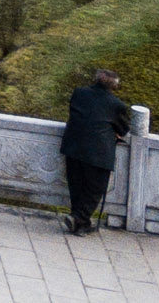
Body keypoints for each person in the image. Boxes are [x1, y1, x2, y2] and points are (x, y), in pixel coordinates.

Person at [61, 68, 130, 234]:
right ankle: (78, 219)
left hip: (73, 146)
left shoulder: (79, 93)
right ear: (114, 86)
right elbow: (123, 129)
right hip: (98, 152)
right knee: (94, 189)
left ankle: (80, 225)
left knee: (76, 186)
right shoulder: (116, 105)